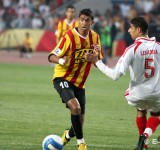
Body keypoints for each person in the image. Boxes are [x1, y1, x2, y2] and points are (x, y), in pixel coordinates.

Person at [85, 16, 160, 150]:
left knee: (141, 109)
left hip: (137, 94)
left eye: (131, 27)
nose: (128, 30)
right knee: (157, 114)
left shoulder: (132, 49)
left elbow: (115, 76)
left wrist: (97, 62)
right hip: (156, 92)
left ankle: (143, 143)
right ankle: (145, 135)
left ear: (138, 30)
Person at [48, 8, 103, 150]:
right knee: (75, 107)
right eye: (82, 19)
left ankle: (67, 136)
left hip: (80, 83)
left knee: (79, 120)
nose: (84, 22)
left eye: (88, 20)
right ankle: (81, 144)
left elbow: (98, 64)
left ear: (92, 22)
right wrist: (61, 61)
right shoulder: (69, 37)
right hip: (63, 77)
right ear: (78, 20)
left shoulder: (95, 38)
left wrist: (95, 58)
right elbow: (51, 56)